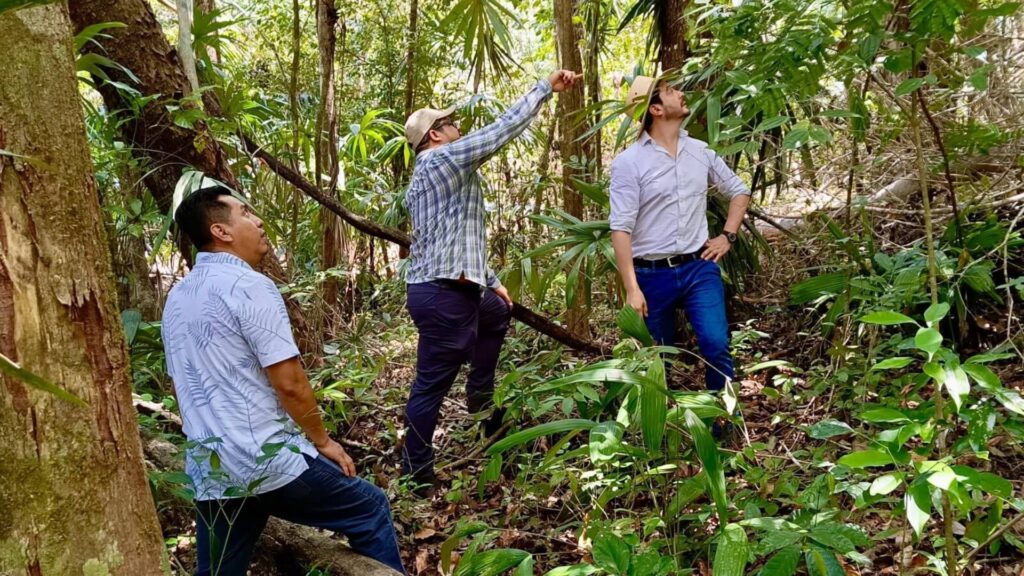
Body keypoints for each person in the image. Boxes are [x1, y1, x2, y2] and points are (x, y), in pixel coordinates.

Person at [162, 185, 407, 575]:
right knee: (369, 507)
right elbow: (289, 381)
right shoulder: (250, 286)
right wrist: (322, 441)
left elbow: (183, 384)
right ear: (221, 231)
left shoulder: (178, 297)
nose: (258, 221)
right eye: (245, 213)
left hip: (213, 469)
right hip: (268, 460)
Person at [401, 69, 580, 495]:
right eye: (449, 123)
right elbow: (500, 132)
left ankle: (480, 398)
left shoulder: (438, 176)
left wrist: (492, 281)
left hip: (450, 286)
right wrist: (543, 90)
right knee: (430, 385)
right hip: (443, 297)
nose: (457, 127)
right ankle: (415, 470)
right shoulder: (441, 161)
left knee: (497, 310)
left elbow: (452, 240)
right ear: (435, 136)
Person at [609, 75, 752, 393]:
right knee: (656, 361)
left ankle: (724, 420)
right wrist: (632, 289)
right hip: (651, 274)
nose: (681, 94)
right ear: (656, 109)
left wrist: (727, 236)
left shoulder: (700, 151)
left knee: (716, 344)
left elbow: (739, 192)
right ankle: (664, 431)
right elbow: (620, 229)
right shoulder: (629, 163)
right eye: (671, 91)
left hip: (698, 266)